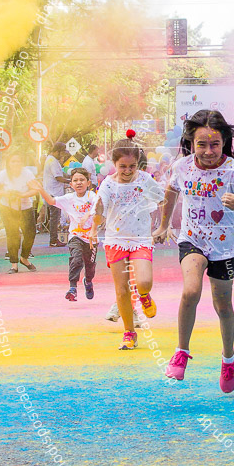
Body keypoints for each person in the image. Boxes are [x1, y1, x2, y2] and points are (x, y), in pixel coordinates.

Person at [155, 110, 234, 392]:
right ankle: (181, 351)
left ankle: (228, 358)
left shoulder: (233, 172)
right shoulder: (182, 167)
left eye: (215, 144)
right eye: (201, 144)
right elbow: (170, 192)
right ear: (190, 142)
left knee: (222, 305)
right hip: (192, 240)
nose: (208, 151)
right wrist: (163, 224)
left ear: (224, 141)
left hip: (224, 247)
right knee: (190, 291)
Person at [93, 132, 165, 350]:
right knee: (122, 289)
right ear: (114, 164)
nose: (127, 171)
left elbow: (163, 198)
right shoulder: (108, 184)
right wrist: (93, 228)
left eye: (131, 166)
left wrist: (164, 224)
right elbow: (100, 208)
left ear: (137, 165)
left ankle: (144, 295)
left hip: (141, 238)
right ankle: (129, 332)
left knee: (143, 282)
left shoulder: (145, 180)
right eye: (122, 166)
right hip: (115, 239)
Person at [32, 168, 98, 301]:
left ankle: (88, 281)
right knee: (76, 259)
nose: (79, 183)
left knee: (89, 267)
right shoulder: (68, 198)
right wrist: (40, 190)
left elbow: (98, 207)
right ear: (71, 184)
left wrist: (87, 214)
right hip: (75, 236)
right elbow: (51, 201)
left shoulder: (91, 196)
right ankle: (72, 288)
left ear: (88, 183)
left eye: (82, 180)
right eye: (75, 180)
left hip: (91, 238)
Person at [0, 150, 39, 273]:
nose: (15, 164)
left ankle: (24, 258)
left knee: (30, 233)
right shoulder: (3, 174)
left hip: (25, 207)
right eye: (13, 161)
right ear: (8, 163)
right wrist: (7, 194)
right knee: (12, 235)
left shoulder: (27, 174)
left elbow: (35, 189)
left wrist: (23, 195)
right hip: (8, 207)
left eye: (18, 161)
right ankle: (14, 264)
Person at [43, 142, 71, 247]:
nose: (63, 155)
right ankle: (53, 240)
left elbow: (60, 173)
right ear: (56, 151)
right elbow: (58, 177)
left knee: (55, 216)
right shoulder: (52, 161)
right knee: (55, 217)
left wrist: (70, 176)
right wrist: (70, 181)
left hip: (52, 192)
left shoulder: (52, 160)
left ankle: (54, 239)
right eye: (62, 152)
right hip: (53, 193)